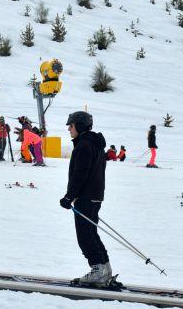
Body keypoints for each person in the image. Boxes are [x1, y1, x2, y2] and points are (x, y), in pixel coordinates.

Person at [59, 111, 111, 287]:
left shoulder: (84, 145)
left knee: (85, 237)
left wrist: (69, 196)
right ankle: (104, 268)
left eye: (71, 125)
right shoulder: (95, 144)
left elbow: (80, 174)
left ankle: (98, 270)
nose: (68, 129)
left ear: (79, 126)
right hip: (95, 196)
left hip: (86, 197)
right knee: (91, 233)